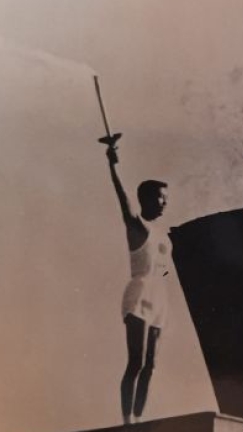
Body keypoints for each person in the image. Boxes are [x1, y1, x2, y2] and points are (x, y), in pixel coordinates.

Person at [103, 137, 171, 425]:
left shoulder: (163, 234)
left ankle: (140, 420)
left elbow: (164, 269)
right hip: (140, 291)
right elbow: (123, 201)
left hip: (159, 295)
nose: (165, 202)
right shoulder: (137, 225)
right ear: (146, 199)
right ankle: (127, 421)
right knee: (137, 361)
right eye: (160, 197)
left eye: (166, 197)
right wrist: (113, 164)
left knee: (151, 365)